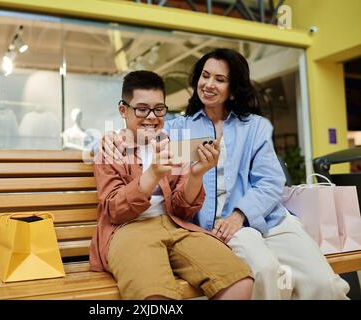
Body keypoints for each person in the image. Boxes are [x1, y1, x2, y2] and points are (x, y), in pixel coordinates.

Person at [101, 49, 350, 300]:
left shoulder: (254, 127)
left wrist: (240, 214)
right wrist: (116, 137)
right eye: (205, 76)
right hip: (219, 227)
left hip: (269, 218)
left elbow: (272, 181)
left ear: (233, 88)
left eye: (219, 79)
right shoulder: (178, 127)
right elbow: (143, 124)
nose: (209, 84)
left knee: (323, 284)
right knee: (266, 271)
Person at [90, 70, 253, 300]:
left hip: (176, 225)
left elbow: (182, 210)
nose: (151, 116)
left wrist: (196, 175)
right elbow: (115, 211)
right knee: (155, 296)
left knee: (239, 282)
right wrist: (152, 175)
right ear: (123, 110)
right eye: (142, 109)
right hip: (127, 230)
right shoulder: (110, 148)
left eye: (159, 109)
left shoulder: (170, 144)